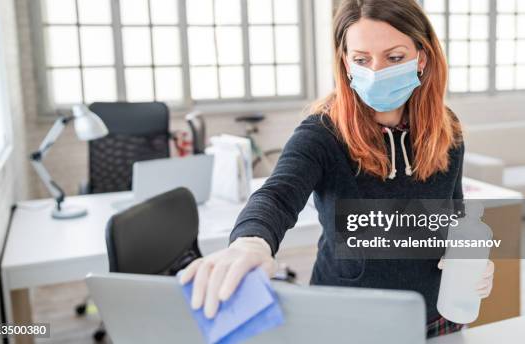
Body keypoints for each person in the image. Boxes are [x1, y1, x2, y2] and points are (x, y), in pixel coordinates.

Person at [180, 0, 494, 337]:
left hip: (434, 316)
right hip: (347, 319)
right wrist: (250, 243)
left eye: (394, 57)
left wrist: (472, 254)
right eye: (362, 59)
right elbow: (277, 195)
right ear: (346, 63)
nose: (376, 71)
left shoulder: (446, 128)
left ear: (422, 57)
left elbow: (455, 214)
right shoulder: (322, 132)